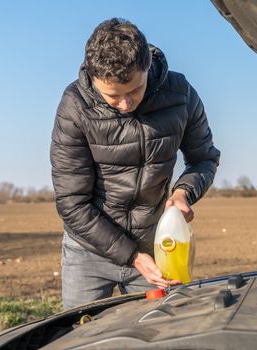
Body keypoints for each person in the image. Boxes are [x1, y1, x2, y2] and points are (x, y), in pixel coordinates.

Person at [50, 18, 220, 310]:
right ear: (93, 77)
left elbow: (204, 158)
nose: (126, 105)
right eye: (113, 96)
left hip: (157, 250)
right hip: (89, 252)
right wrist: (132, 257)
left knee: (161, 333)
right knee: (81, 335)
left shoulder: (180, 95)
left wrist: (183, 193)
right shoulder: (74, 106)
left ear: (147, 67)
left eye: (135, 90)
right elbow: (71, 203)